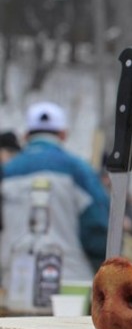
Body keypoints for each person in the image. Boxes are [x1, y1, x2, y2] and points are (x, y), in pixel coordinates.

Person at [1, 102, 110, 283]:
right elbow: (98, 227)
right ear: (63, 134)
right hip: (69, 282)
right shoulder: (79, 171)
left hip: (13, 280)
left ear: (26, 135)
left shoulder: (5, 172)